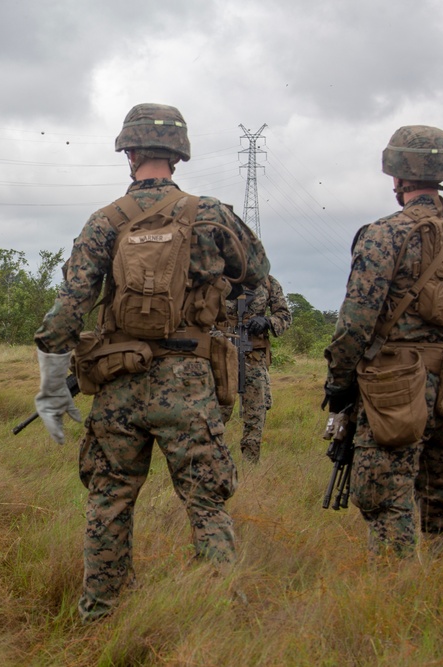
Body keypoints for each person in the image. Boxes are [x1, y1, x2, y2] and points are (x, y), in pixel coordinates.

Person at [34, 103, 270, 623]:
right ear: (178, 157)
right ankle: (224, 620)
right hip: (188, 383)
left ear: (130, 152)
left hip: (118, 380)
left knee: (109, 500)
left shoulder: (104, 221)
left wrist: (51, 386)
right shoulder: (211, 213)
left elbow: (68, 309)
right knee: (206, 503)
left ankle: (98, 615)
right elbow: (257, 274)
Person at [323, 125, 443, 561]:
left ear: (397, 177)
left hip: (393, 389)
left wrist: (340, 383)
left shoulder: (384, 234)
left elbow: (356, 322)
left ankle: (394, 600)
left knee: (387, 504)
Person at [224, 274, 292, 463]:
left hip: (254, 356)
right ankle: (212, 462)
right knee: (215, 412)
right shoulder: (217, 278)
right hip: (221, 357)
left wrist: (267, 321)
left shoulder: (269, 283)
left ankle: (250, 464)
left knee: (256, 413)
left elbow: (285, 316)